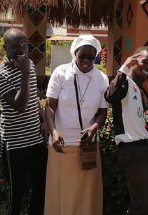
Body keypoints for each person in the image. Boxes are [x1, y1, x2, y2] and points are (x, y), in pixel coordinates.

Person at [44, 35, 109, 215]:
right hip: (61, 145)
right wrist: (54, 132)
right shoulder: (61, 72)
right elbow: (49, 106)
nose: (87, 61)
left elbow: (102, 113)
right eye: (82, 56)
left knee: (86, 196)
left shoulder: (102, 79)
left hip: (87, 146)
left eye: (91, 57)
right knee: (60, 192)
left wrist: (94, 127)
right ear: (74, 54)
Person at [0, 28, 48, 215]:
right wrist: (24, 73)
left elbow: (32, 99)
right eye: (16, 46)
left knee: (41, 187)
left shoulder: (28, 64)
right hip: (15, 142)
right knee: (17, 191)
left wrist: (44, 119)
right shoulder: (0, 74)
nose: (22, 49)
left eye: (25, 45)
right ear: (4, 47)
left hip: (35, 137)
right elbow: (19, 106)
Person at [104, 46, 148, 215]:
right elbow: (110, 96)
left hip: (146, 147)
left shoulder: (137, 87)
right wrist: (124, 67)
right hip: (131, 149)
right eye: (145, 62)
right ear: (133, 60)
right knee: (140, 203)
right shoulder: (124, 83)